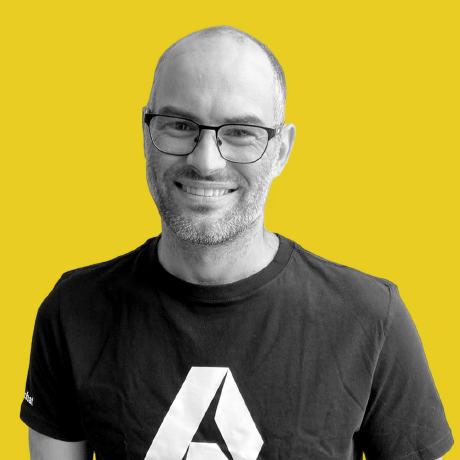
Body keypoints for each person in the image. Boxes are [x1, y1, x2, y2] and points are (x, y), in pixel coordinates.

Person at [20, 26, 453, 460]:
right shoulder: (72, 312)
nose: (206, 161)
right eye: (180, 125)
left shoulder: (371, 318)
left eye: (241, 132)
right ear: (145, 132)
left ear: (280, 150)